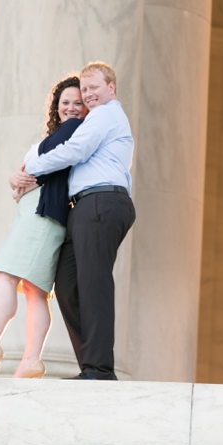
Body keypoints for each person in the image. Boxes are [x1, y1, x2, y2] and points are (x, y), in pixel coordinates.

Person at [0, 76, 87, 379]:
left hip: (40, 214)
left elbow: (38, 166)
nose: (70, 108)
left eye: (77, 103)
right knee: (33, 291)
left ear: (86, 107)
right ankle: (30, 360)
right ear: (56, 107)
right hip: (47, 215)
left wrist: (19, 180)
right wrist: (16, 180)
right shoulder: (73, 132)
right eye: (64, 102)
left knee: (6, 277)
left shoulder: (73, 129)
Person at [18, 61, 135, 380]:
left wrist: (32, 168)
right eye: (85, 90)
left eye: (94, 87)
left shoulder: (105, 114)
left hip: (102, 200)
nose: (88, 94)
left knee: (93, 283)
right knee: (68, 284)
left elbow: (76, 151)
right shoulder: (95, 118)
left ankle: (98, 369)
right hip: (84, 206)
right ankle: (92, 365)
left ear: (111, 87)